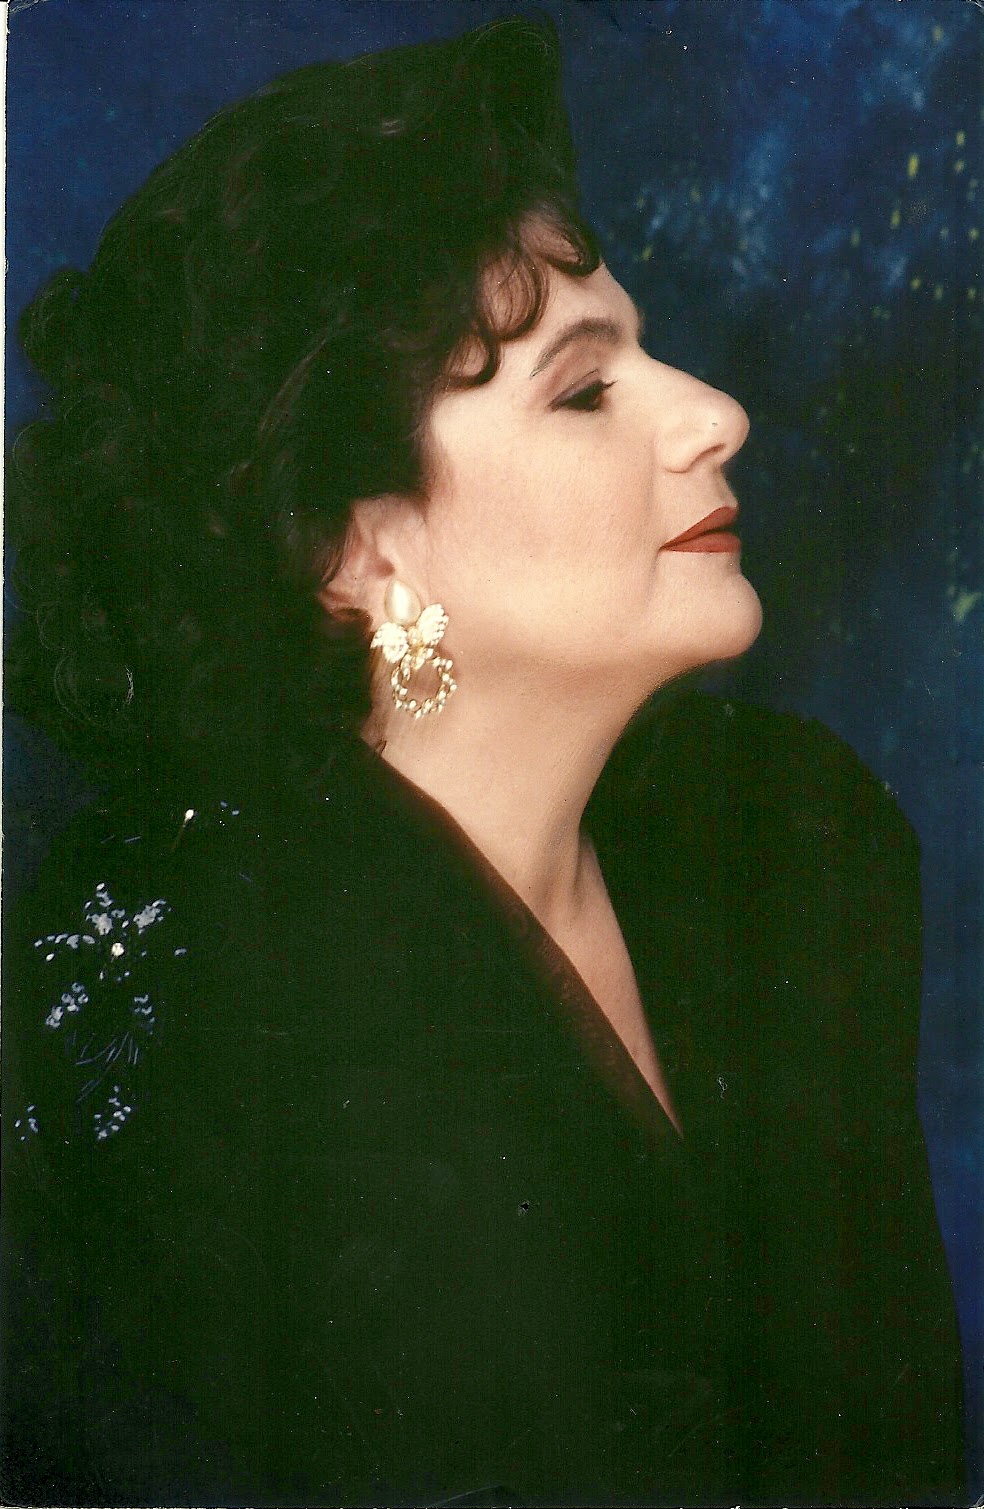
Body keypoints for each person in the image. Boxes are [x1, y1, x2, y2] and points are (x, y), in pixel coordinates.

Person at [0, 18, 964, 1507]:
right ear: (359, 553)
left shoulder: (797, 838)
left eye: (646, 351)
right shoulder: (202, 1023)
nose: (717, 417)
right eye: (584, 391)